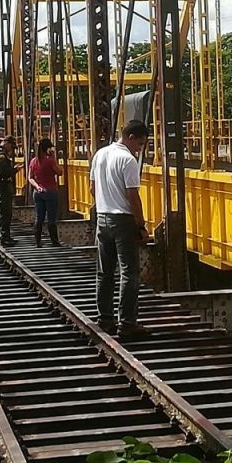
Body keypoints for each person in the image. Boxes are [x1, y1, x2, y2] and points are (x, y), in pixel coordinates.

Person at [90, 119, 151, 339]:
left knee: (104, 272)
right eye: (140, 144)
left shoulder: (100, 155)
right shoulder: (128, 160)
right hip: (123, 221)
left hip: (103, 219)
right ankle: (127, 322)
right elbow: (133, 196)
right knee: (129, 273)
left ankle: (105, 318)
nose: (140, 149)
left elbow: (91, 188)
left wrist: (105, 203)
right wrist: (141, 225)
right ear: (130, 137)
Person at [27, 137, 63, 247]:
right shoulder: (50, 160)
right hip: (50, 191)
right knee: (51, 218)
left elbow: (30, 178)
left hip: (38, 193)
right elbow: (60, 172)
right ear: (47, 149)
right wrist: (53, 157)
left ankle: (37, 242)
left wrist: (37, 186)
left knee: (39, 218)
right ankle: (54, 241)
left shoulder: (33, 161)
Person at [0, 135, 17, 246]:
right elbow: (3, 171)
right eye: (11, 146)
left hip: (4, 185)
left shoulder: (0, 152)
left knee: (7, 212)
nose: (11, 149)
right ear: (7, 143)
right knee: (5, 212)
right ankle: (4, 237)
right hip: (3, 185)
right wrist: (15, 169)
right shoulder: (0, 154)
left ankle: (6, 236)